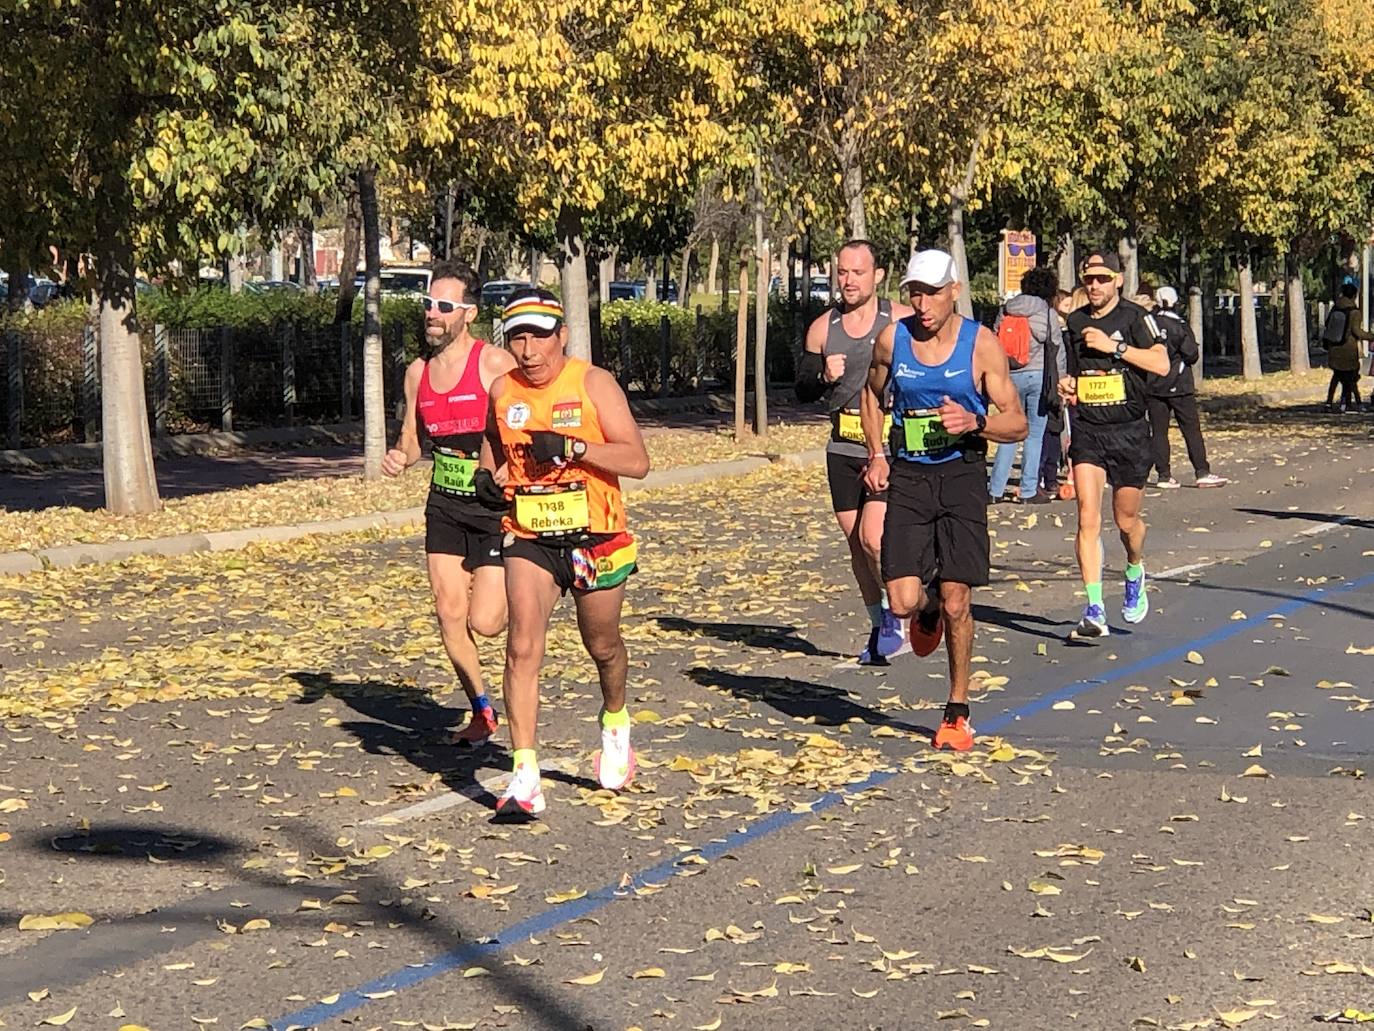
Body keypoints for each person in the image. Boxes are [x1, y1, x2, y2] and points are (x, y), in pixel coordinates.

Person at [485, 289, 650, 820]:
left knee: (601, 644)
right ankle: (526, 774)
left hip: (595, 536)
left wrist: (575, 446)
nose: (529, 350)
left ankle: (616, 721)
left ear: (562, 336)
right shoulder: (501, 389)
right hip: (530, 535)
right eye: (518, 338)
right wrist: (492, 477)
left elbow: (638, 460)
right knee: (522, 646)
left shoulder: (593, 383)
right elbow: (494, 446)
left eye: (538, 337)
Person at [861, 250, 1027, 751]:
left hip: (961, 475)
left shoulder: (982, 346)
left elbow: (1016, 420)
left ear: (954, 291)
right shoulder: (894, 339)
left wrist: (974, 422)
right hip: (910, 474)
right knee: (903, 601)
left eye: (932, 292)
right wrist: (877, 452)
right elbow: (871, 394)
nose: (922, 302)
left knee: (959, 600)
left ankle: (957, 710)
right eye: (915, 291)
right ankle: (925, 606)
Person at [382, 260, 516, 745]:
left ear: (468, 314)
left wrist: (507, 465)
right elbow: (413, 442)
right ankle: (481, 710)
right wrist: (399, 457)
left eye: (443, 306)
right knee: (447, 612)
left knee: (486, 622)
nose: (431, 314)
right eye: (427, 305)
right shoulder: (417, 373)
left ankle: (527, 595)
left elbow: (525, 420)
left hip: (493, 510)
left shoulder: (494, 364)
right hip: (444, 505)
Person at [795, 240, 915, 664]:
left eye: (857, 273)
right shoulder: (822, 328)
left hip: (886, 445)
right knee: (855, 545)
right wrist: (824, 375)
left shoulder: (900, 320)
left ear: (877, 275)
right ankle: (879, 624)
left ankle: (905, 609)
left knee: (873, 537)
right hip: (842, 445)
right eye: (842, 273)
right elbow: (802, 389)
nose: (848, 281)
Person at [1058, 250, 1170, 638]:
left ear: (1118, 281)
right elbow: (1073, 371)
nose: (1095, 286)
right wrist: (1069, 384)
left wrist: (1114, 348)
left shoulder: (1136, 319)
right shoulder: (1074, 322)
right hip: (1089, 430)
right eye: (1089, 279)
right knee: (1087, 516)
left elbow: (1161, 365)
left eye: (1103, 279)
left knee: (1125, 521)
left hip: (1130, 431)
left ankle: (1135, 567)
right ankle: (1094, 609)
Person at [987, 266, 1066, 505]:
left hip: (1009, 377)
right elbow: (1056, 349)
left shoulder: (1006, 310)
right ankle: (1029, 489)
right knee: (1034, 434)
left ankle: (995, 488)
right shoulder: (1047, 313)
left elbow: (994, 340)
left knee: (1008, 434)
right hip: (1038, 377)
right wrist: (1061, 380)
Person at [1146, 286, 1227, 488]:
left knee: (1158, 431)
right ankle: (1202, 471)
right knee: (1190, 429)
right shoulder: (1179, 325)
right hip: (1179, 384)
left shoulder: (1148, 323)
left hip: (1154, 383)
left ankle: (1163, 475)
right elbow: (1192, 354)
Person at [1324, 280, 1373, 412]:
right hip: (1348, 348)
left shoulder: (1336, 307)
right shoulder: (1354, 312)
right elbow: (1357, 331)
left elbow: (1327, 324)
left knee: (1337, 376)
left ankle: (1330, 403)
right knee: (1351, 378)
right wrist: (1370, 336)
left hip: (1334, 346)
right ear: (1354, 296)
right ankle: (1354, 403)